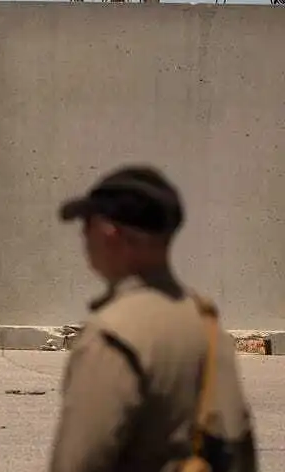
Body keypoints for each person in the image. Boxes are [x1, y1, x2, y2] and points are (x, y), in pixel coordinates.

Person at [49, 165, 258, 472]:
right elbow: (240, 449)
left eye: (87, 224)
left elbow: (78, 462)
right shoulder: (206, 324)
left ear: (110, 233)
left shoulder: (112, 335)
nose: (83, 235)